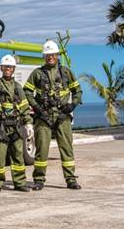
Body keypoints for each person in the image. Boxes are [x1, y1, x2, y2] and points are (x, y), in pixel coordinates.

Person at [23, 40, 82, 190]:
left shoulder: (66, 72)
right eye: (47, 55)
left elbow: (77, 91)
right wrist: (36, 107)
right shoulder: (37, 73)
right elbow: (27, 91)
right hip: (44, 116)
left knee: (67, 148)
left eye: (53, 54)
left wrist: (72, 104)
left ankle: (71, 179)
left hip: (63, 116)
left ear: (57, 55)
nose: (50, 57)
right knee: (41, 149)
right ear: (44, 56)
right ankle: (39, 180)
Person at [0, 54, 34, 193]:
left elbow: (24, 108)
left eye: (10, 67)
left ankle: (20, 183)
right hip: (1, 127)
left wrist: (28, 123)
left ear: (13, 69)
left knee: (18, 156)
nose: (8, 69)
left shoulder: (18, 87)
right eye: (6, 67)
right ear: (1, 68)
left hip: (16, 126)